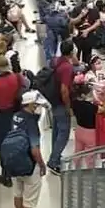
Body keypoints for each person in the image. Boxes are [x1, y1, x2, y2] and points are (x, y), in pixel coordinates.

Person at [7, 91, 48, 208]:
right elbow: (35, 150)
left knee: (18, 194)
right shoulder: (31, 124)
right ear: (29, 105)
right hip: (29, 166)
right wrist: (42, 165)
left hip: (14, 162)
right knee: (28, 201)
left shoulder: (15, 116)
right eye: (36, 105)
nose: (38, 108)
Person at [0, 55, 27, 187]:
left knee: (2, 145)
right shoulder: (17, 77)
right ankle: (20, 168)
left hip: (2, 116)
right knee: (18, 141)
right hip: (17, 113)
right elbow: (25, 87)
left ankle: (6, 174)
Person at [46, 40, 77, 175]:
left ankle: (56, 157)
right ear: (71, 52)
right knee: (64, 133)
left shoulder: (57, 61)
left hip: (53, 100)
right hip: (61, 102)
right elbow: (64, 89)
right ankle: (53, 162)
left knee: (57, 131)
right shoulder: (67, 68)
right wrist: (68, 106)